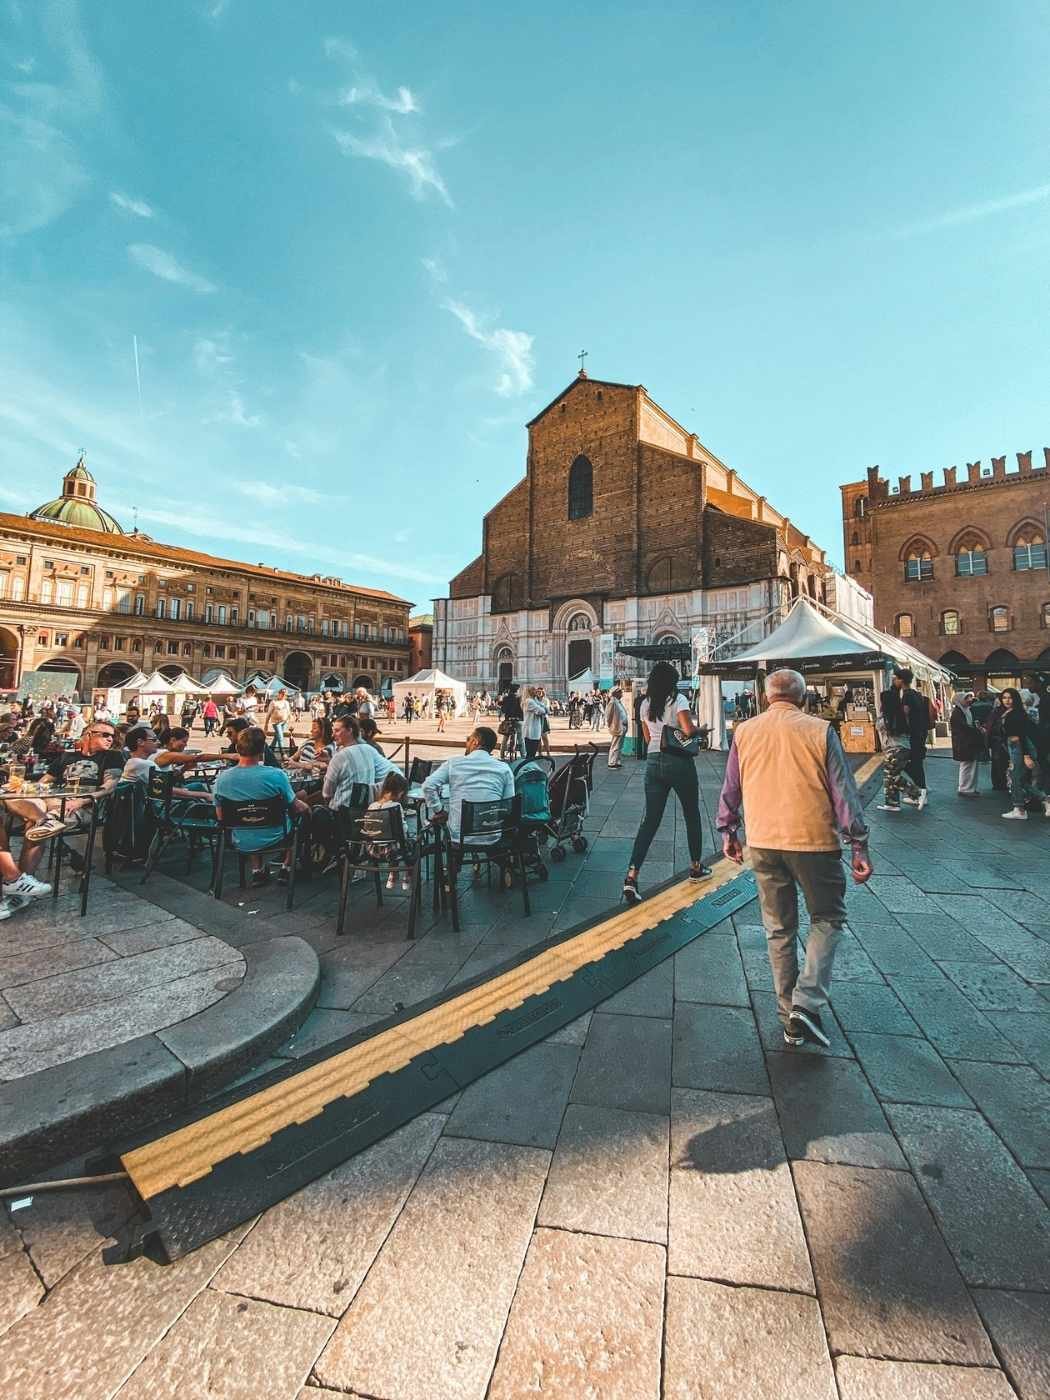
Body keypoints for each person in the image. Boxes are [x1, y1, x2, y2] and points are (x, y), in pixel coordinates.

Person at [718, 667, 873, 1048]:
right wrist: (858, 844)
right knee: (828, 918)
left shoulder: (745, 731)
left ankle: (790, 1017)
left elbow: (730, 788)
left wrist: (728, 832)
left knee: (778, 929)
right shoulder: (820, 730)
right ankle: (806, 1001)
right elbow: (843, 794)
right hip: (814, 843)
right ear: (802, 697)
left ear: (766, 696)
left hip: (764, 842)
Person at [623, 661, 711, 904]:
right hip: (678, 763)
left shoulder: (645, 704)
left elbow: (650, 736)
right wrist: (701, 730)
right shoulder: (678, 700)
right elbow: (687, 729)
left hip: (653, 763)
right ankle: (695, 867)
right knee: (691, 814)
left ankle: (632, 877)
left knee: (650, 821)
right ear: (672, 682)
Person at [213, 726, 308, 887]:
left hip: (239, 839)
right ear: (263, 749)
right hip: (277, 836)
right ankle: (287, 865)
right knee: (304, 815)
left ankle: (257, 870)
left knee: (248, 816)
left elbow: (221, 816)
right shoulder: (275, 775)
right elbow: (294, 806)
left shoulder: (223, 779)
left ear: (237, 748)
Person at [422, 726, 515, 847]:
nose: (467, 743)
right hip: (492, 835)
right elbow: (508, 804)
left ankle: (454, 864)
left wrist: (439, 810)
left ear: (475, 742)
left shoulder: (454, 763)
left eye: (468, 739)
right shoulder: (504, 769)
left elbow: (428, 786)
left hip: (459, 837)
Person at [999, 686, 1050, 821]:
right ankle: (1043, 800)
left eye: (1010, 697)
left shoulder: (1017, 713)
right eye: (1004, 697)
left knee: (1016, 777)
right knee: (1017, 778)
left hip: (1020, 747)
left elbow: (1021, 735)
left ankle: (1020, 808)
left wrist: (1026, 756)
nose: (1007, 700)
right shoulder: (1009, 712)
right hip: (1014, 747)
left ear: (1015, 698)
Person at [876, 674, 925, 813]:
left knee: (892, 776)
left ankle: (917, 793)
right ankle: (892, 803)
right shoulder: (898, 714)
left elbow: (880, 727)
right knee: (890, 776)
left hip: (895, 749)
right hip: (901, 748)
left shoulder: (889, 716)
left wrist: (881, 715)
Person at [366, 770, 413, 891]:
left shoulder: (372, 806)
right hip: (393, 851)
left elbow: (367, 828)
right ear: (401, 792)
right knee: (412, 843)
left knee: (391, 839)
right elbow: (402, 830)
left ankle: (393, 874)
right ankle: (408, 873)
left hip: (373, 850)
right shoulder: (396, 807)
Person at [898, 668, 932, 804]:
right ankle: (922, 790)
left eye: (896, 678)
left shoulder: (906, 695)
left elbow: (905, 714)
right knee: (916, 763)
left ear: (901, 680)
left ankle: (920, 794)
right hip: (920, 733)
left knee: (906, 764)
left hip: (912, 735)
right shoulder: (917, 695)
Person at [950, 692, 984, 797]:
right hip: (964, 743)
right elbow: (963, 727)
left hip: (968, 742)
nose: (969, 700)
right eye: (966, 698)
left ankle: (970, 788)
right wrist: (977, 730)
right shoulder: (958, 712)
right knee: (967, 765)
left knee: (971, 765)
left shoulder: (965, 711)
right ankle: (965, 788)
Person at [522, 685, 548, 759]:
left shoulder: (532, 700)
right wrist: (541, 705)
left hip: (532, 730)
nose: (536, 691)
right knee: (531, 753)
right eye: (534, 690)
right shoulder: (530, 701)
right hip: (532, 731)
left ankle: (529, 767)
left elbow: (546, 710)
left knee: (531, 753)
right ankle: (528, 768)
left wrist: (538, 701)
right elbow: (542, 711)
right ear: (530, 692)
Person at [264, 689, 293, 754]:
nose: (283, 695)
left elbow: (288, 712)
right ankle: (283, 753)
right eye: (282, 694)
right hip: (276, 723)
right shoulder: (273, 702)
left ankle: (270, 750)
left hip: (284, 722)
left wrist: (290, 718)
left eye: (285, 695)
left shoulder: (286, 702)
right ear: (279, 694)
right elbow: (268, 714)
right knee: (280, 737)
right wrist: (266, 724)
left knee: (277, 737)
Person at [499, 683, 524, 761]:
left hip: (508, 720)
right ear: (517, 690)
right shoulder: (520, 698)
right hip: (518, 720)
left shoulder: (506, 698)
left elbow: (503, 710)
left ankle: (502, 755)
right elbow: (522, 709)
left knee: (505, 738)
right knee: (520, 738)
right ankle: (523, 755)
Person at [605, 686, 628, 768]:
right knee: (615, 745)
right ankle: (611, 762)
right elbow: (608, 715)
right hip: (617, 726)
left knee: (619, 745)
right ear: (616, 693)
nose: (621, 693)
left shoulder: (618, 702)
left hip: (622, 726)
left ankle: (617, 761)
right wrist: (610, 725)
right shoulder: (612, 702)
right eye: (620, 692)